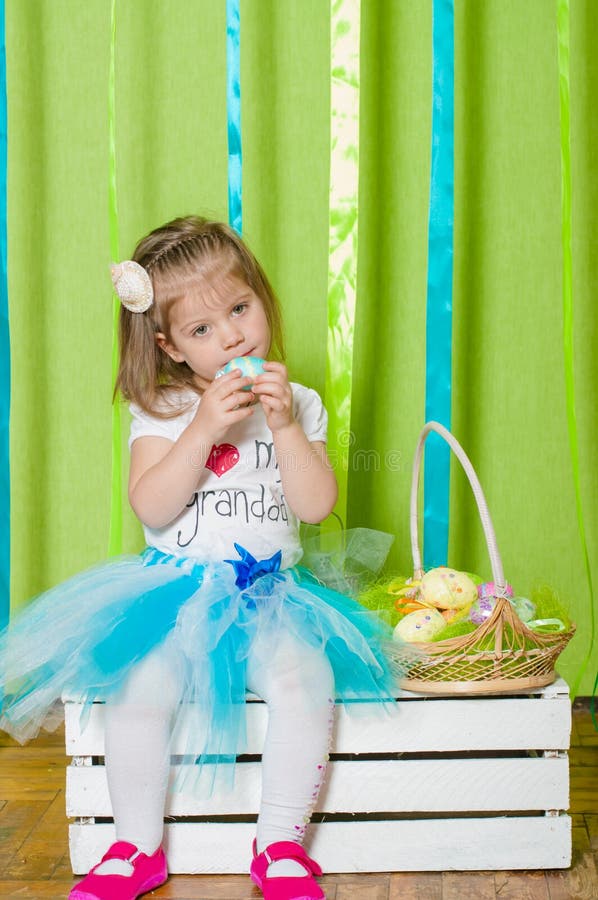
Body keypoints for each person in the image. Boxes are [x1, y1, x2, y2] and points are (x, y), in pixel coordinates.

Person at [0, 215, 396, 900]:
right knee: (139, 689)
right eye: (203, 329)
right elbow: (152, 507)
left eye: (240, 309)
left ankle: (279, 844)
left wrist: (283, 426)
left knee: (306, 683)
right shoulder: (162, 406)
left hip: (274, 595)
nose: (232, 338)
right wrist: (204, 426)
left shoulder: (298, 402)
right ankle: (135, 846)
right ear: (171, 346)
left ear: (262, 298)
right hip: (176, 596)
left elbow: (315, 505)